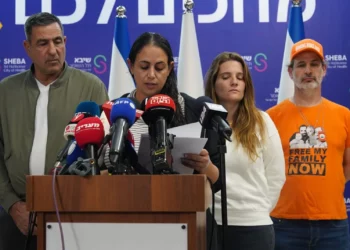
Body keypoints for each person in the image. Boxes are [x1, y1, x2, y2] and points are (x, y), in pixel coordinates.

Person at [0, 12, 109, 250]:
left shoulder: (91, 86)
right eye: (43, 43)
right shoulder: (5, 92)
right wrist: (12, 205)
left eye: (57, 41)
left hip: (74, 215)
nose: (53, 50)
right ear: (27, 47)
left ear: (65, 42)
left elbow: (104, 153)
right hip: (17, 215)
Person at [121, 32, 220, 249]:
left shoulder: (194, 109)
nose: (151, 75)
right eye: (144, 66)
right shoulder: (115, 113)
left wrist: (205, 166)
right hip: (128, 226)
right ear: (130, 66)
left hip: (187, 224)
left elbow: (217, 181)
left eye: (159, 67)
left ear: (171, 67)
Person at [267, 38, 350, 250]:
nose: (308, 70)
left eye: (314, 64)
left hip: (333, 225)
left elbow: (347, 166)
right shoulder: (271, 118)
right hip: (283, 224)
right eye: (301, 65)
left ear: (324, 69)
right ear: (290, 72)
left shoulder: (344, 116)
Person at [204, 52, 286, 250]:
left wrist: (256, 211)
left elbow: (276, 176)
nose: (234, 82)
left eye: (240, 77)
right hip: (210, 224)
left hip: (253, 228)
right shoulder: (201, 122)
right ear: (214, 82)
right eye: (226, 77)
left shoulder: (262, 122)